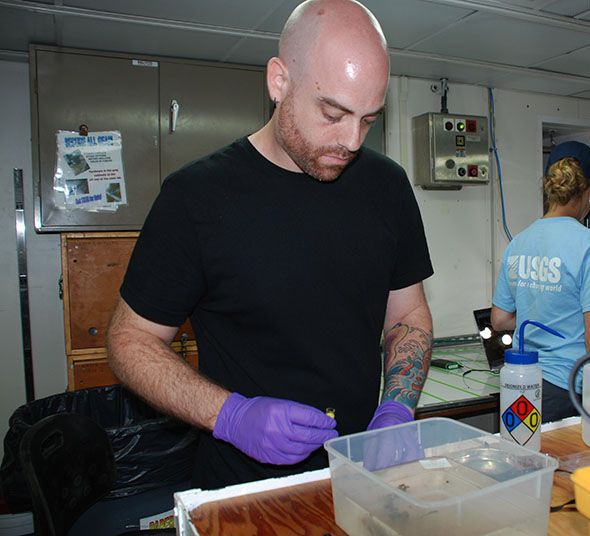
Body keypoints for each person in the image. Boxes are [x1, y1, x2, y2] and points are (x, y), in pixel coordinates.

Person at [106, 0, 434, 490]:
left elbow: (407, 314)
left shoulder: (387, 187)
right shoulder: (195, 198)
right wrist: (230, 415)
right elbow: (129, 340)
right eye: (333, 112)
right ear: (279, 82)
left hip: (363, 478)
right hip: (247, 491)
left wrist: (396, 408)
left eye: (368, 119)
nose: (351, 140)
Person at [491, 141, 590, 422]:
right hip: (567, 389)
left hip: (520, 382)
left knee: (525, 460)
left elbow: (500, 320)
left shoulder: (519, 242)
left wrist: (543, 312)